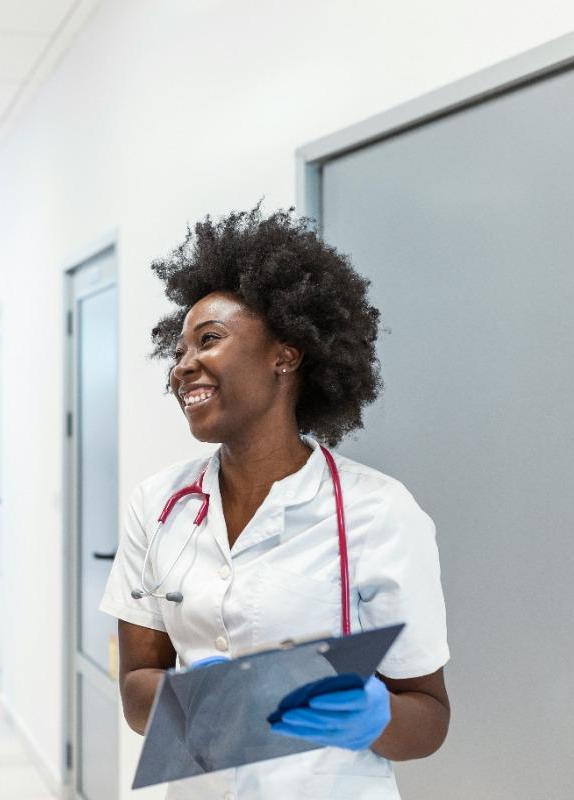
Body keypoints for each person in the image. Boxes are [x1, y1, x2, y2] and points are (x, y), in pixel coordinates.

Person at [101, 206, 450, 798]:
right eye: (179, 350)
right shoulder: (156, 504)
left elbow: (429, 717)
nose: (183, 367)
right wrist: (189, 703)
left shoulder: (376, 511)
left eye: (208, 340)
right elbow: (137, 687)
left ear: (285, 355)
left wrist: (378, 717)